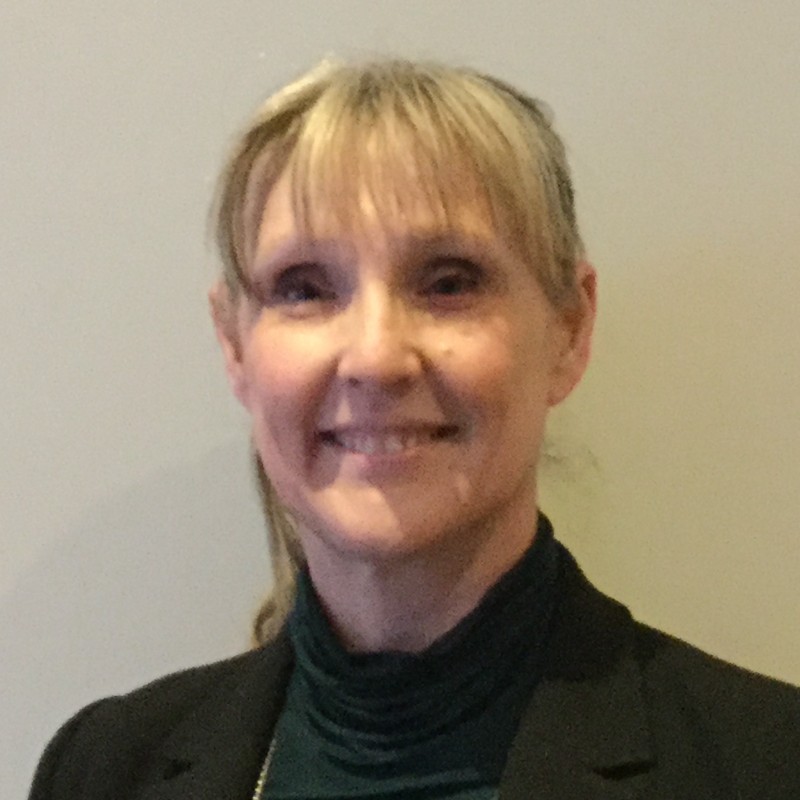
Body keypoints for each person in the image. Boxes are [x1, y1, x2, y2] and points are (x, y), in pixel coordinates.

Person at [29, 58, 800, 800]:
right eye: (304, 288)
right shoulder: (104, 769)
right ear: (234, 344)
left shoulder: (767, 766)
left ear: (569, 329)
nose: (375, 358)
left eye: (449, 282)